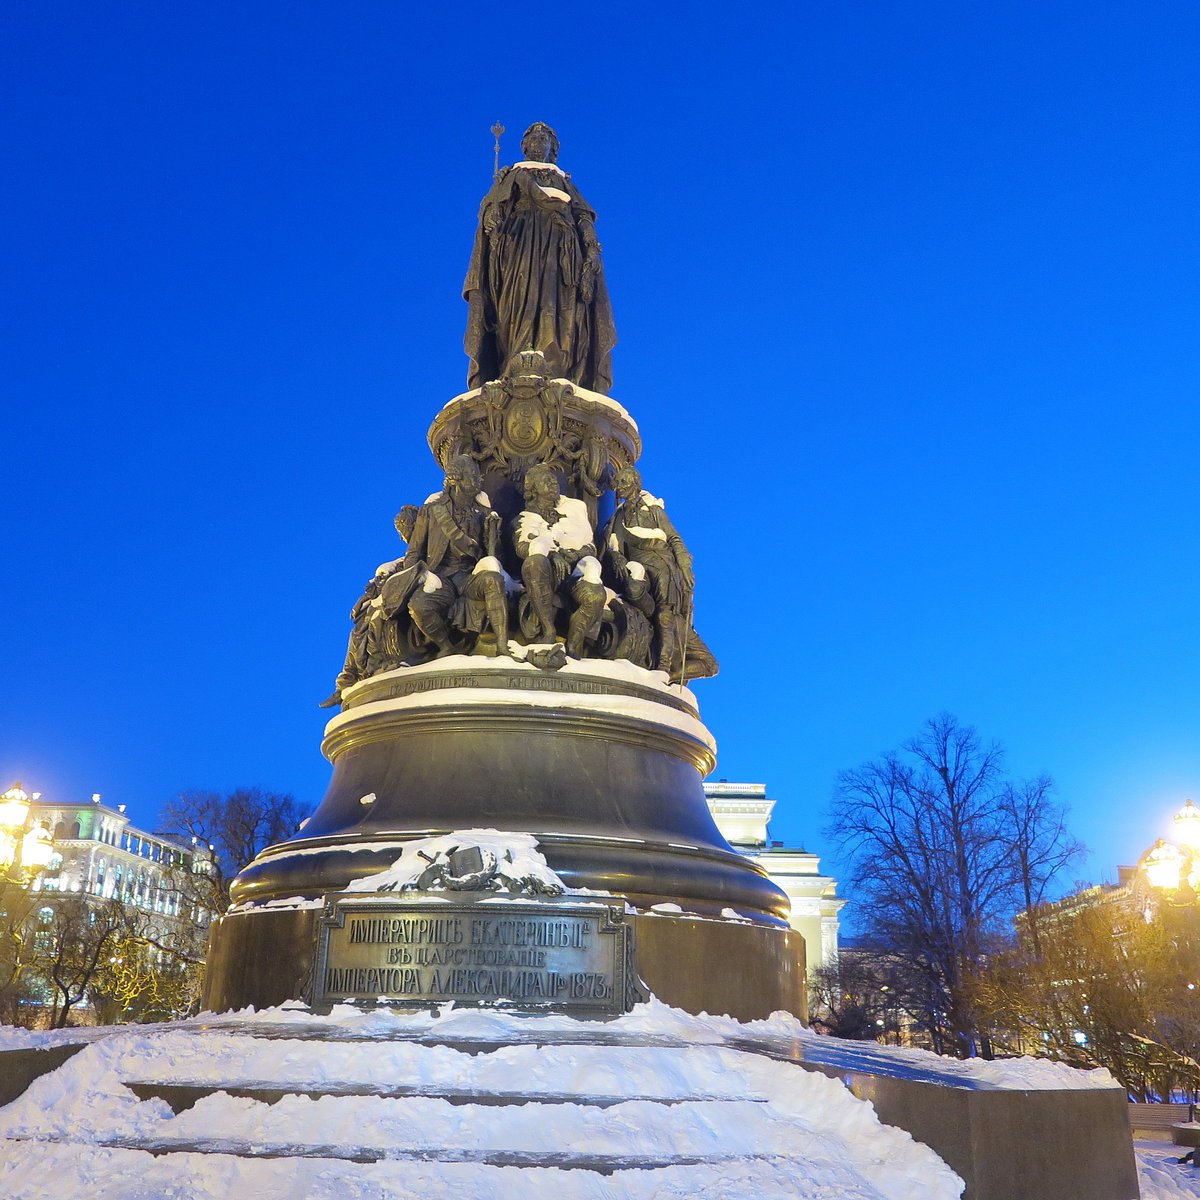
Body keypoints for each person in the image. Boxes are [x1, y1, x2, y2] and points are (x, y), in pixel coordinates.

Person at [463, 122, 616, 394]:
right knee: (517, 301)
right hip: (518, 246)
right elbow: (490, 209)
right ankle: (514, 359)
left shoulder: (563, 182)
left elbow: (583, 216)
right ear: (524, 146)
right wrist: (490, 219)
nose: (539, 141)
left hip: (559, 252)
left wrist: (591, 246)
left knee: (556, 307)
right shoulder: (510, 177)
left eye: (545, 137)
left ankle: (557, 366)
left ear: (552, 148)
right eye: (534, 136)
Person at [401, 456, 508, 658]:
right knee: (419, 605)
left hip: (468, 577)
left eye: (478, 476)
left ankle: (502, 648)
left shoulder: (484, 513)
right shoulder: (432, 511)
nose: (479, 481)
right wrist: (411, 579)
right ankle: (446, 646)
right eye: (473, 477)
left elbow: (496, 560)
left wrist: (493, 537)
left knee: (493, 580)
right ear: (455, 479)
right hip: (440, 577)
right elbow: (415, 551)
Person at [603, 465, 696, 678]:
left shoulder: (653, 511)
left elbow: (673, 537)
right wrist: (616, 555)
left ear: (636, 484)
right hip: (639, 568)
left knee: (665, 614)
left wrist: (684, 564)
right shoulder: (619, 516)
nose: (620, 488)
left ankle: (663, 667)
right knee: (635, 590)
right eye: (618, 483)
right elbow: (612, 542)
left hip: (662, 566)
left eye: (625, 483)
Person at [513, 464, 605, 656]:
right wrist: (552, 554)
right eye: (547, 481)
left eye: (554, 481)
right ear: (533, 489)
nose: (553, 484)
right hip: (548, 576)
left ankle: (574, 644)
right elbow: (523, 547)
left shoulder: (574, 511)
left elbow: (590, 546)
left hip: (575, 572)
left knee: (596, 595)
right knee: (534, 563)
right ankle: (549, 631)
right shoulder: (525, 518)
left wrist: (575, 555)